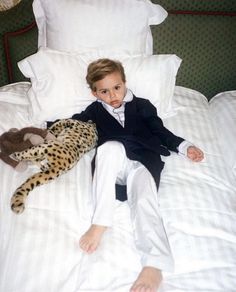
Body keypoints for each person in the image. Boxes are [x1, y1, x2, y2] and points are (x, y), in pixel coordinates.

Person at [48, 58, 204, 292]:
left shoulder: (142, 105)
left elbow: (160, 131)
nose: (113, 95)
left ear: (124, 83)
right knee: (109, 148)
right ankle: (101, 221)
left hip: (144, 160)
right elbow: (72, 124)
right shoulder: (94, 111)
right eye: (104, 91)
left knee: (144, 201)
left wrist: (184, 146)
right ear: (95, 93)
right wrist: (44, 130)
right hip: (113, 165)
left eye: (117, 87)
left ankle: (154, 265)